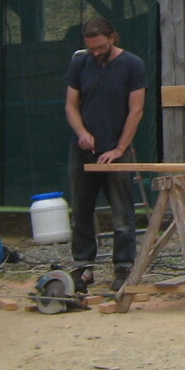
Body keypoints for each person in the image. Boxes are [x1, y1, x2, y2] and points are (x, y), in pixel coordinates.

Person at [64, 17, 147, 287]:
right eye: (92, 48)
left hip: (116, 147)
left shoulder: (132, 64)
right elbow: (71, 105)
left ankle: (123, 268)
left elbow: (136, 110)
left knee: (122, 212)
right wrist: (81, 133)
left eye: (101, 47)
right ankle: (82, 267)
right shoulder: (80, 63)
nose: (96, 52)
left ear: (112, 38)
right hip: (83, 150)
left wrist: (120, 148)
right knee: (81, 210)